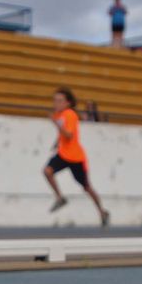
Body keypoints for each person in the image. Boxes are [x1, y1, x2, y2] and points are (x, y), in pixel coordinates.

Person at [43, 87, 110, 225]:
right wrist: (56, 143)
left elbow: (69, 135)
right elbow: (63, 135)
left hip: (75, 157)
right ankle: (60, 198)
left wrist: (56, 124)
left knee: (87, 187)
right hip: (63, 154)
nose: (56, 103)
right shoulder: (59, 115)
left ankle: (102, 212)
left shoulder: (70, 114)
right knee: (47, 171)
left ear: (68, 103)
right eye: (55, 100)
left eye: (60, 101)